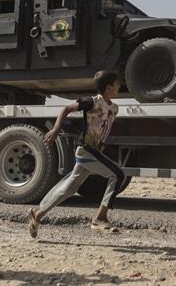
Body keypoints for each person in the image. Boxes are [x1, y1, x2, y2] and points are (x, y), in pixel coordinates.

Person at [27, 70, 125, 238]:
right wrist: (56, 129)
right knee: (118, 175)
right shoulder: (92, 102)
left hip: (93, 151)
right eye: (117, 84)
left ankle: (37, 215)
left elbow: (104, 128)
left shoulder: (114, 108)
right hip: (86, 149)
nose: (120, 86)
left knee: (69, 189)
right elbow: (66, 108)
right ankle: (99, 217)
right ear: (109, 87)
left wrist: (102, 143)